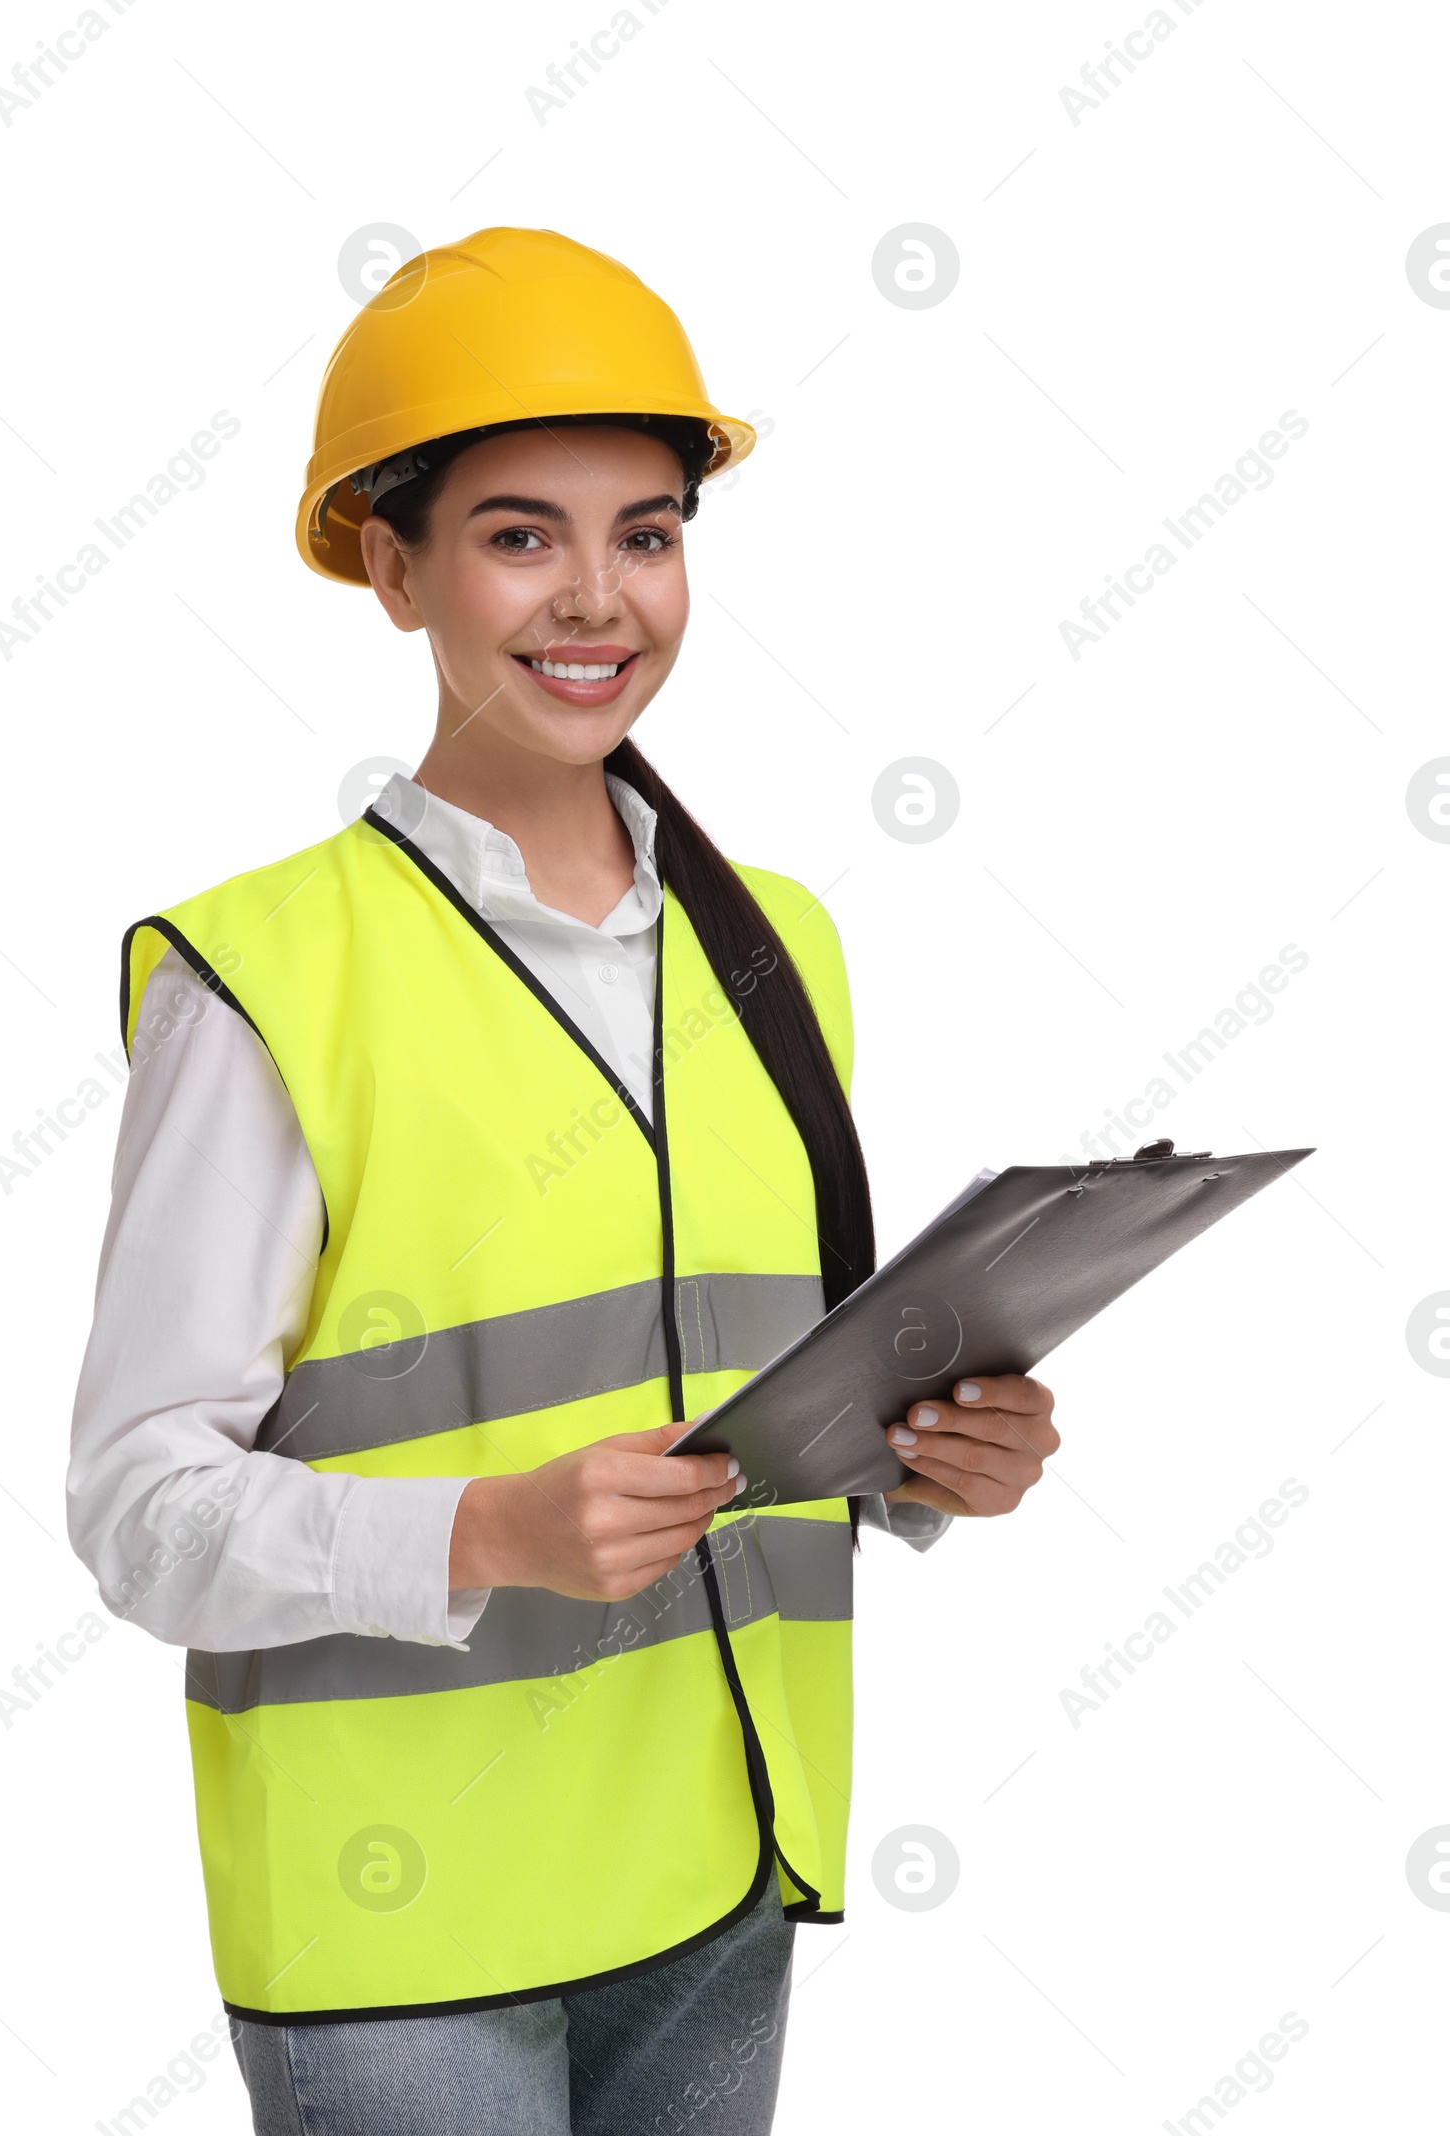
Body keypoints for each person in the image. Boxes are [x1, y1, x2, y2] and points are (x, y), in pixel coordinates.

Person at [67, 226, 1060, 2136]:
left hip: (721, 1850)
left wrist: (936, 1464)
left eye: (650, 530)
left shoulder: (783, 949)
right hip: (405, 1925)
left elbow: (758, 1389)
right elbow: (137, 1511)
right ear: (392, 566)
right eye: (521, 534)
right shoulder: (270, 980)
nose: (599, 598)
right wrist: (481, 1537)